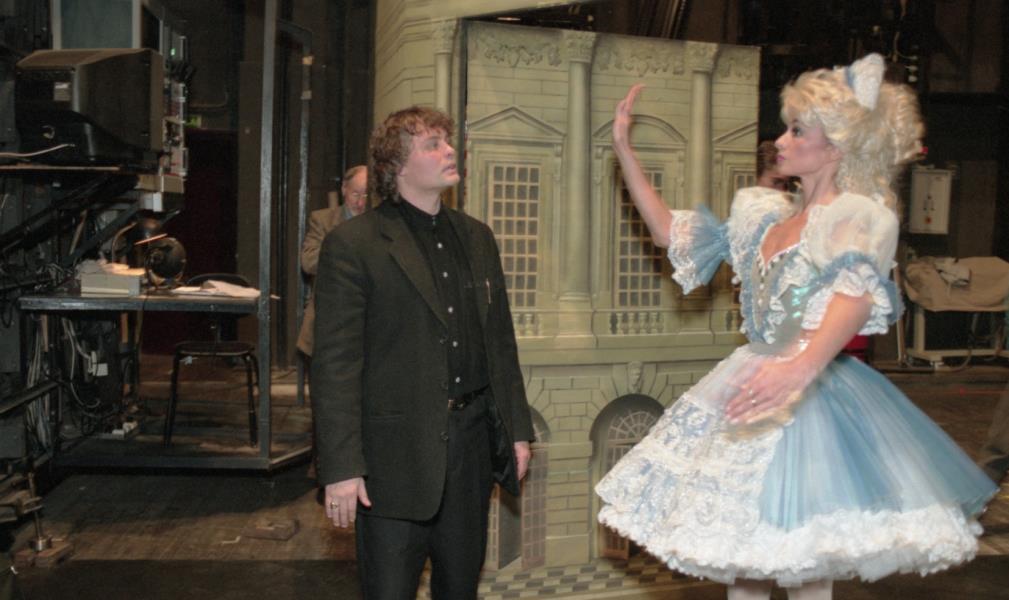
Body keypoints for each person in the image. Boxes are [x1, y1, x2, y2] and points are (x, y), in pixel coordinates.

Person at [595, 54, 997, 600]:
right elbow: (669, 233)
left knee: (806, 557)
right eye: (786, 128)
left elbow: (853, 299)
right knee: (743, 556)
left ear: (835, 147)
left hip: (813, 397)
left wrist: (799, 368)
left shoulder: (857, 216)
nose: (781, 141)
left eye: (797, 130)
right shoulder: (763, 214)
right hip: (751, 380)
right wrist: (625, 151)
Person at [311, 105, 534, 599]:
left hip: (470, 452)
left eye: (447, 141)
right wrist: (342, 467)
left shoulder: (478, 237)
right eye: (432, 144)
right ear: (396, 166)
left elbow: (500, 344)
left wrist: (517, 431)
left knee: (460, 590)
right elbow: (336, 366)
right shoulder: (353, 244)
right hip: (391, 461)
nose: (450, 150)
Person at [296, 164, 368, 357]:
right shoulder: (323, 220)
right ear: (344, 189)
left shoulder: (380, 223)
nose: (361, 202)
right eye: (355, 194)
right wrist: (348, 250)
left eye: (366, 195)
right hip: (329, 323)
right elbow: (309, 261)